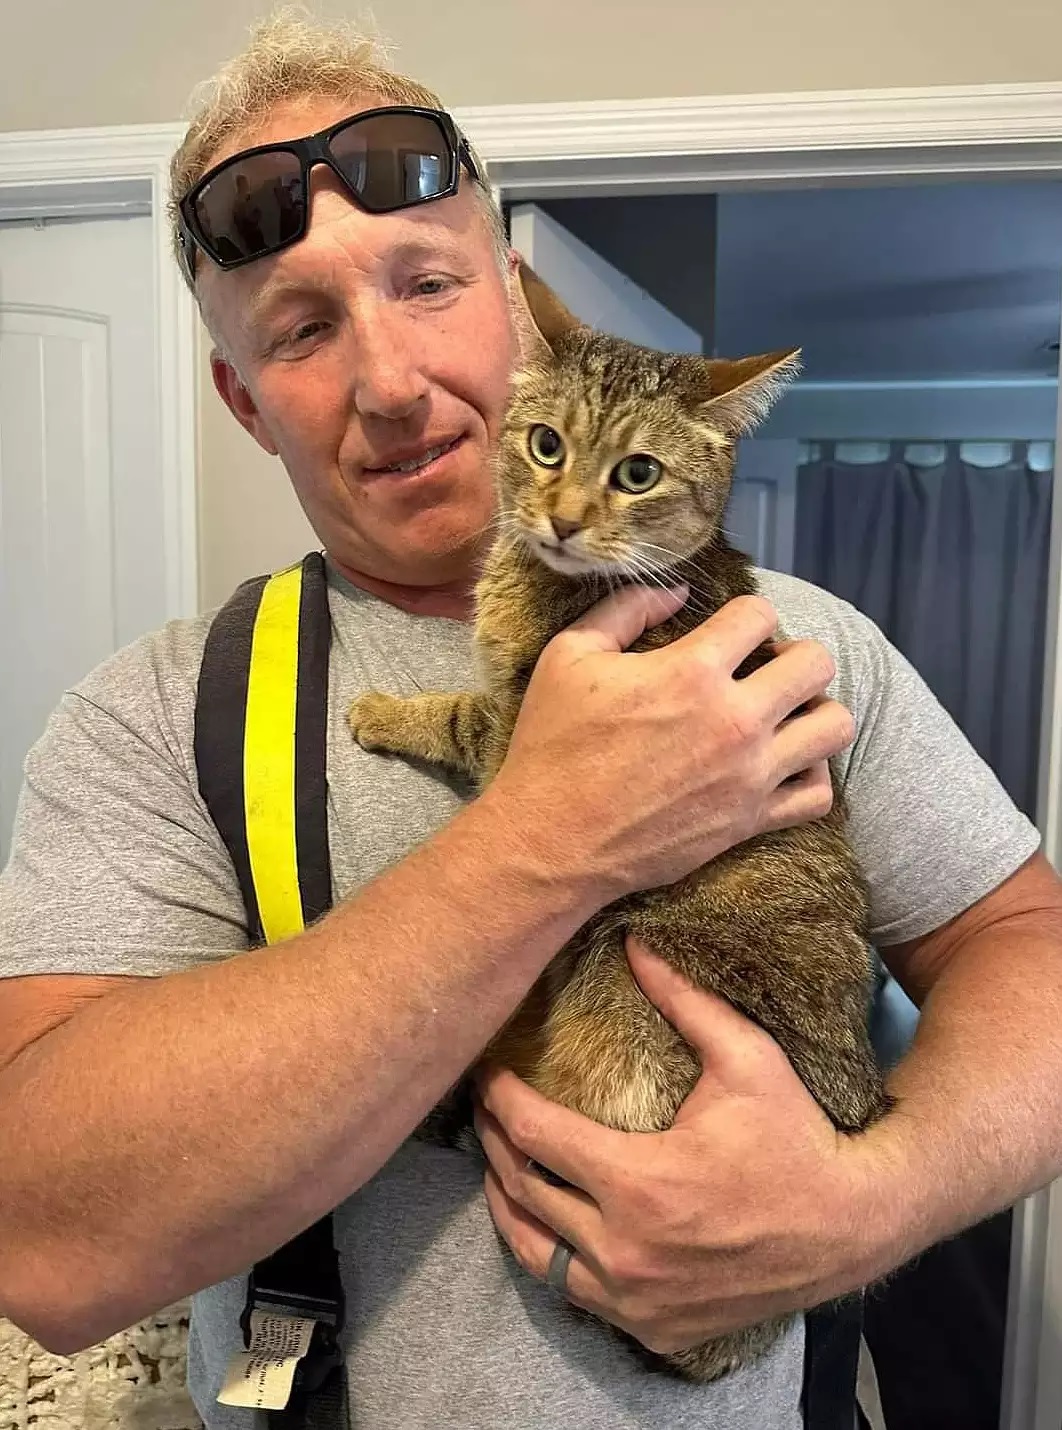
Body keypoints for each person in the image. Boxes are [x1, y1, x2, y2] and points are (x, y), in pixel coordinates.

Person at [2, 15, 1061, 1430]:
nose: (387, 380)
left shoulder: (804, 645)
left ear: (516, 303)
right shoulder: (151, 717)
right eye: (303, 330)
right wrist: (548, 834)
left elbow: (1025, 953)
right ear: (242, 401)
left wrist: (873, 1197)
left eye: (427, 283)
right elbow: (47, 1245)